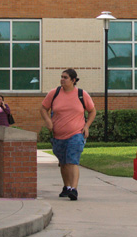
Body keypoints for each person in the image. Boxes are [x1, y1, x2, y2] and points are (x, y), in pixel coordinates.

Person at [40, 69, 97, 201]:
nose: (62, 79)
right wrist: (48, 121)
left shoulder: (82, 94)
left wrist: (87, 125)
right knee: (63, 162)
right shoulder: (54, 93)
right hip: (58, 135)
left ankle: (74, 189)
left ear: (73, 80)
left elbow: (92, 111)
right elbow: (43, 108)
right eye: (61, 77)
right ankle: (66, 187)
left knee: (72, 160)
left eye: (65, 77)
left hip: (76, 134)